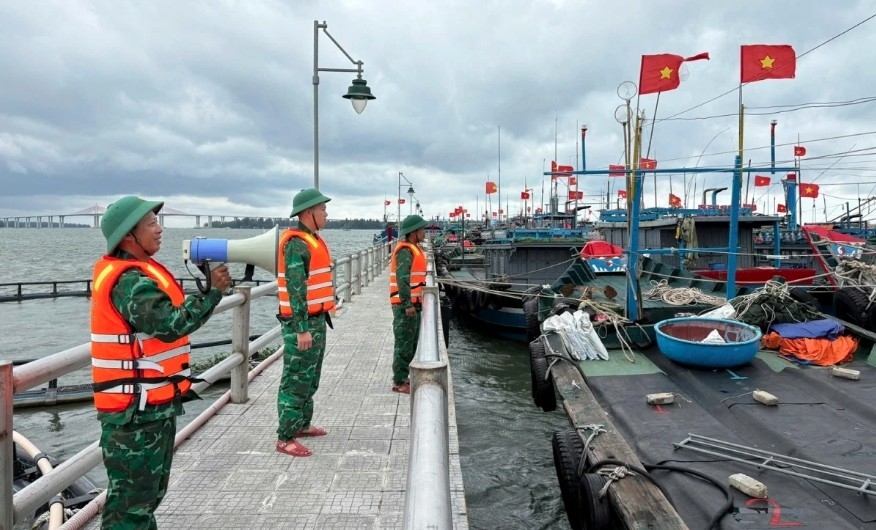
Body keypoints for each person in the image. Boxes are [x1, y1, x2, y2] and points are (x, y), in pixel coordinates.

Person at [91, 195, 232, 529]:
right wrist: (213, 293)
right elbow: (170, 325)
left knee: (144, 500)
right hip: (134, 416)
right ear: (129, 236)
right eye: (151, 223)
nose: (160, 229)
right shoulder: (128, 281)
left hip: (150, 409)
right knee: (131, 507)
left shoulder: (141, 273)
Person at [275, 188, 334, 457]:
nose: (326, 213)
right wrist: (301, 328)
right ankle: (285, 437)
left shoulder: (312, 239)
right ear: (308, 211)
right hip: (303, 324)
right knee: (296, 380)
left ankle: (302, 424)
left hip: (317, 320)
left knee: (310, 379)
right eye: (322, 209)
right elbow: (295, 288)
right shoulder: (297, 243)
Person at [389, 214, 428, 394]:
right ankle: (399, 382)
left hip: (414, 303)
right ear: (413, 232)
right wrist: (407, 304)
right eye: (421, 229)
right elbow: (402, 279)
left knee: (410, 343)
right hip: (405, 306)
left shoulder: (414, 248)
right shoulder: (405, 251)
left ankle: (403, 377)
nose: (424, 232)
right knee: (404, 343)